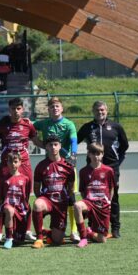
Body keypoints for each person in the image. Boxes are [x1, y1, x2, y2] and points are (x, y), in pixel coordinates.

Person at [77, 101, 129, 238]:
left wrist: (118, 162)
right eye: (97, 110)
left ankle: (115, 228)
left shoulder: (116, 127)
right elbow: (74, 141)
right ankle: (91, 226)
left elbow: (125, 146)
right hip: (92, 169)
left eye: (102, 110)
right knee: (91, 197)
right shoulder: (87, 127)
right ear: (93, 111)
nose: (100, 112)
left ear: (107, 110)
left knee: (113, 198)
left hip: (111, 168)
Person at [32, 96, 80, 242]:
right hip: (49, 166)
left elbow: (73, 140)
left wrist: (73, 154)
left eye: (57, 106)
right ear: (48, 109)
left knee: (71, 197)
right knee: (47, 197)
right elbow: (29, 127)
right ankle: (42, 230)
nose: (55, 109)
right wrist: (39, 143)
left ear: (62, 108)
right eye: (52, 107)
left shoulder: (68, 124)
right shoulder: (44, 123)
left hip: (66, 165)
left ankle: (74, 231)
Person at [0, 97, 37, 241]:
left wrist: (55, 149)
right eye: (13, 109)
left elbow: (37, 141)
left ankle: (27, 231)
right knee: (2, 198)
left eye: (18, 108)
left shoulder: (28, 125)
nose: (16, 111)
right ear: (9, 110)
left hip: (24, 165)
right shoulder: (3, 124)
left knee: (26, 198)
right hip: (6, 165)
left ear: (22, 109)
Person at [31, 135, 75, 249]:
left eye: (55, 145)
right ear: (46, 147)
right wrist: (42, 199)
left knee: (57, 240)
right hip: (47, 200)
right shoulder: (41, 166)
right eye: (50, 145)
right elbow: (36, 188)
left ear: (60, 146)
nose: (53, 147)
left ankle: (47, 232)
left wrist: (65, 201)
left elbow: (71, 188)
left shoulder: (68, 166)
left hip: (61, 203)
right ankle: (39, 238)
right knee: (37, 204)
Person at [74, 143, 115, 248]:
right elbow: (82, 191)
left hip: (103, 205)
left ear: (102, 155)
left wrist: (109, 202)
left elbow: (111, 188)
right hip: (89, 203)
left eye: (98, 153)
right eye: (93, 153)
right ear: (89, 154)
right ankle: (83, 238)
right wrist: (87, 204)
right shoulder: (83, 171)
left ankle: (89, 232)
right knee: (77, 206)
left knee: (102, 239)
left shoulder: (108, 171)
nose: (96, 156)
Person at [0, 152, 30, 249]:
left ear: (20, 163)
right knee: (9, 210)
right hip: (7, 205)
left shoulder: (25, 179)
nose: (13, 164)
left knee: (19, 240)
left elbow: (26, 196)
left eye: (15, 162)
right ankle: (8, 238)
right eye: (10, 162)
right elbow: (1, 197)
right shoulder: (3, 179)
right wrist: (2, 207)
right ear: (7, 163)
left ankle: (46, 233)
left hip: (20, 208)